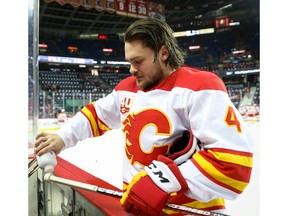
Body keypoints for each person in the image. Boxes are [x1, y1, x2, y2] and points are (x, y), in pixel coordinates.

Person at [34, 18, 253, 215]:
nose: (131, 69)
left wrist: (161, 182)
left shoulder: (200, 87)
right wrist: (62, 137)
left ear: (163, 53)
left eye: (138, 61)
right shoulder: (126, 89)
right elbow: (96, 115)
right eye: (129, 61)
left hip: (185, 211)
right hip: (136, 207)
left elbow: (233, 164)